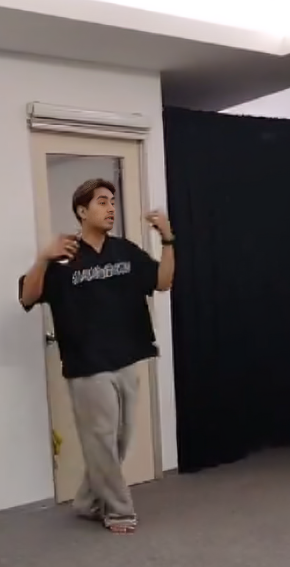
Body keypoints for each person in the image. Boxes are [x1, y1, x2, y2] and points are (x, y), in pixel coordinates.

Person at [18, 178, 175, 534]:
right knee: (102, 439)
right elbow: (28, 296)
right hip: (87, 365)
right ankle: (118, 511)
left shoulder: (125, 251)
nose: (110, 208)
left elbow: (163, 282)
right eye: (102, 202)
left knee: (119, 439)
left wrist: (167, 240)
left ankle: (88, 501)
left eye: (112, 202)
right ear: (81, 210)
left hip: (127, 355)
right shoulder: (64, 257)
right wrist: (43, 258)